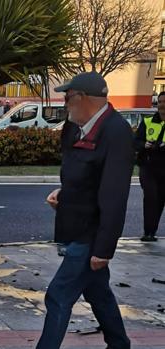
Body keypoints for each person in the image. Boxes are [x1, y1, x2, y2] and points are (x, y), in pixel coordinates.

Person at [38, 72, 133, 349]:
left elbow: (114, 195)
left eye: (68, 98)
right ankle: (119, 344)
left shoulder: (115, 132)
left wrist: (104, 249)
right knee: (98, 293)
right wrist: (63, 194)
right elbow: (82, 176)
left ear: (84, 99)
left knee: (58, 295)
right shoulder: (74, 127)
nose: (65, 104)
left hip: (91, 233)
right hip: (74, 225)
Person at [135, 91, 165, 242]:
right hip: (149, 167)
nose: (162, 105)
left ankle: (152, 231)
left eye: (164, 102)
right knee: (151, 198)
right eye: (160, 102)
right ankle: (148, 232)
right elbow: (136, 141)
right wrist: (144, 144)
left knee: (160, 199)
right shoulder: (147, 121)